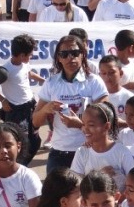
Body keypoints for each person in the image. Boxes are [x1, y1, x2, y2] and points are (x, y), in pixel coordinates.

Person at [34, 35, 109, 172]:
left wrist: (80, 124)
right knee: (57, 193)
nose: (70, 58)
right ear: (58, 58)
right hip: (59, 152)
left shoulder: (94, 82)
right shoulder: (51, 83)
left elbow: (106, 122)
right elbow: (35, 122)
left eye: (75, 53)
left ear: (82, 55)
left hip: (89, 150)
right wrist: (45, 109)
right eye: (64, 54)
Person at [0, 34, 42, 165]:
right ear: (22, 55)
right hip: (16, 112)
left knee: (35, 142)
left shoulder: (24, 64)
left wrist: (45, 81)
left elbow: (29, 73)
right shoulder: (5, 70)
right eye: (29, 54)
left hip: (30, 107)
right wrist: (3, 100)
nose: (31, 56)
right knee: (20, 143)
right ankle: (14, 169)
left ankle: (20, 167)